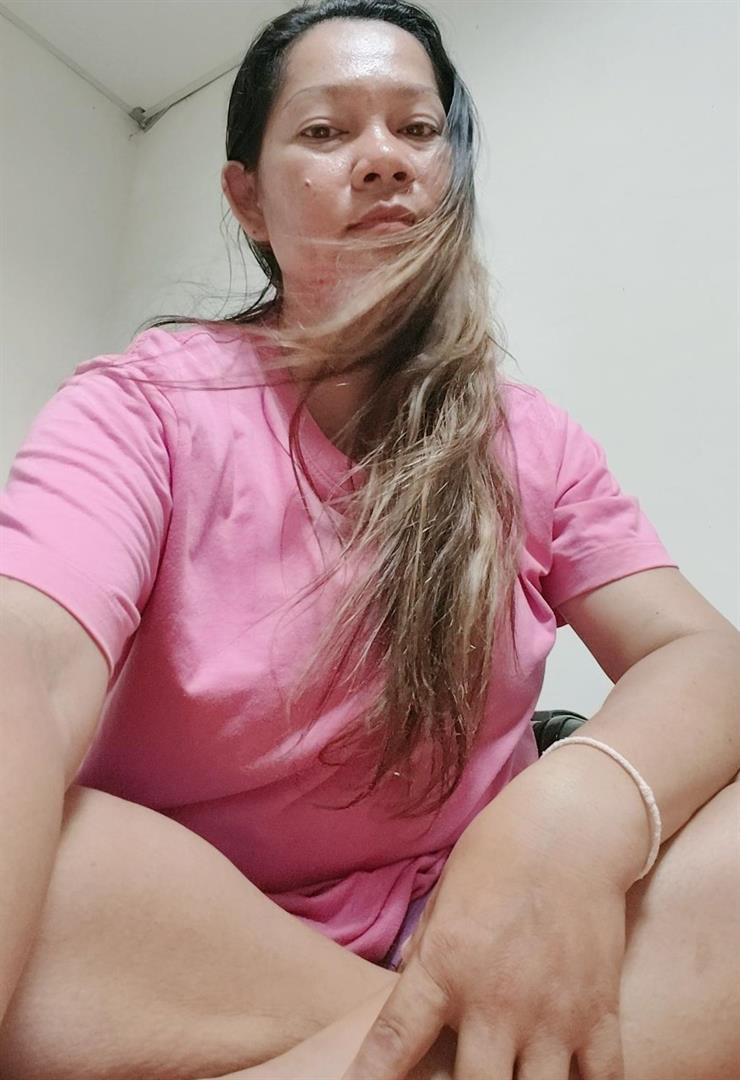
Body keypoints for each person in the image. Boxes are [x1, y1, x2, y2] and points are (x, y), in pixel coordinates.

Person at [0, 1, 738, 1078]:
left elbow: (700, 653)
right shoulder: (142, 406)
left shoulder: (531, 440)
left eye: (417, 128)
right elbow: (28, 663)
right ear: (246, 198)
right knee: (57, 864)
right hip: (197, 954)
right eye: (325, 130)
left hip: (486, 920)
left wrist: (575, 811)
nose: (384, 158)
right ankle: (463, 1046)